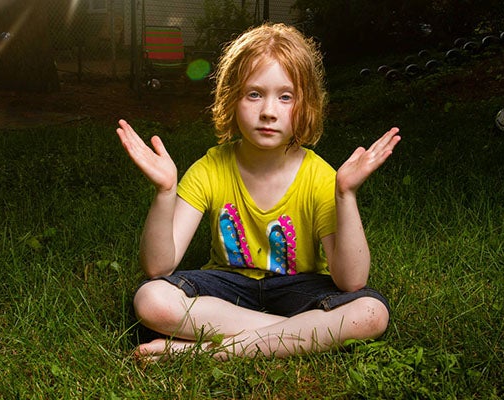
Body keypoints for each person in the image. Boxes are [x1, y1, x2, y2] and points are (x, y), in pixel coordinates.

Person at [116, 23, 401, 361]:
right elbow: (158, 267)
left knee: (370, 312)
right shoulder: (211, 168)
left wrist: (346, 195)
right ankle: (295, 334)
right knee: (151, 299)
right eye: (254, 94)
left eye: (285, 97)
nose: (268, 111)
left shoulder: (321, 177)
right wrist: (165, 192)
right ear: (231, 98)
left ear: (305, 105)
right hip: (227, 287)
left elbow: (351, 282)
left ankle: (209, 353)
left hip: (300, 286)